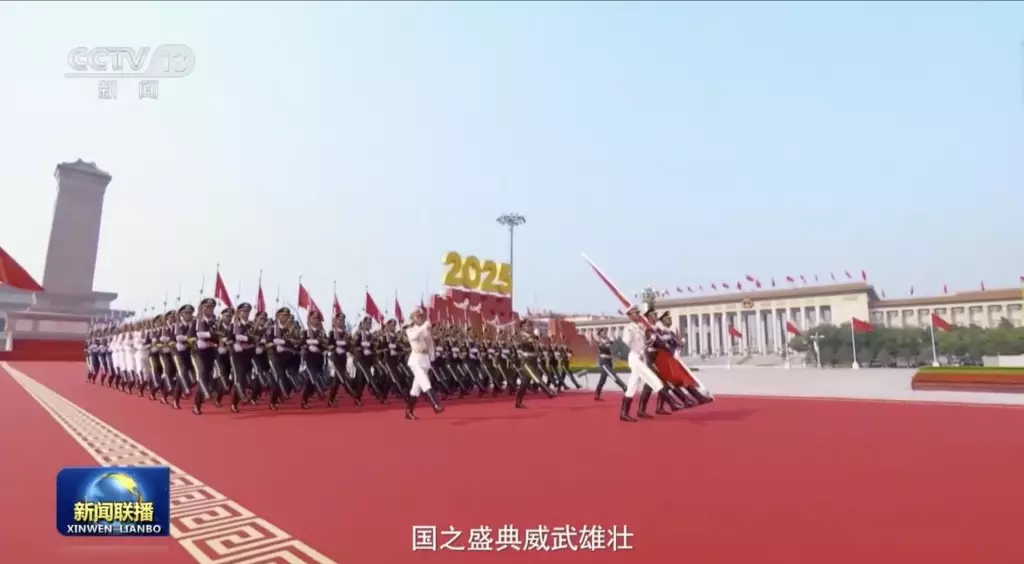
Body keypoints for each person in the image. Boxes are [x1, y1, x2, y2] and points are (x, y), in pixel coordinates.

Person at [619, 304, 683, 422]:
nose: (637, 315)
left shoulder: (640, 327)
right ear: (630, 316)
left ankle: (624, 413)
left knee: (632, 386)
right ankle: (672, 403)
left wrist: (650, 341)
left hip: (641, 357)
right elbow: (624, 345)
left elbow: (644, 344)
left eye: (638, 312)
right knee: (654, 379)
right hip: (635, 357)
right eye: (635, 313)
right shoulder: (629, 329)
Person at [403, 306, 444, 419]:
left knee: (416, 389)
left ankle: (408, 412)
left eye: (421, 316)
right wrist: (424, 327)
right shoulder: (410, 330)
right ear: (413, 318)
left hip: (425, 360)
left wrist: (432, 356)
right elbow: (414, 336)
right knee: (425, 382)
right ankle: (436, 405)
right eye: (417, 316)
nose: (420, 318)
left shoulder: (425, 329)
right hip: (416, 360)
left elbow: (430, 344)